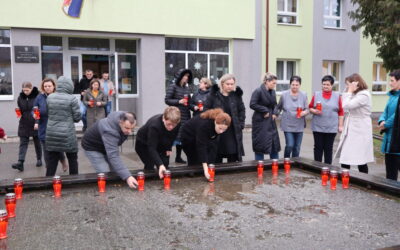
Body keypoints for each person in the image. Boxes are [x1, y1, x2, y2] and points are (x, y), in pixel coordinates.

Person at [82, 111, 138, 188]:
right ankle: (105, 193)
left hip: (106, 145)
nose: (129, 132)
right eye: (127, 128)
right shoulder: (110, 131)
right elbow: (113, 155)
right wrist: (128, 177)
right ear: (120, 122)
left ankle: (114, 187)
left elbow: (113, 154)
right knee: (104, 171)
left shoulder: (124, 116)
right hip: (92, 147)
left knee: (116, 171)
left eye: (132, 129)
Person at [334, 74, 374, 173]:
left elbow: (346, 105)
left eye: (348, 84)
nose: (347, 87)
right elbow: (344, 99)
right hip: (352, 126)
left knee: (360, 158)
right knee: (346, 155)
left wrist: (350, 91)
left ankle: (364, 180)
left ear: (356, 83)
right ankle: (345, 177)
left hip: (360, 128)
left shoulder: (364, 95)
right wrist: (349, 90)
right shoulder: (355, 93)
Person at [205, 73, 245, 163]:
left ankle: (231, 176)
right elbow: (206, 110)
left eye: (232, 84)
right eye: (228, 84)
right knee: (216, 155)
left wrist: (240, 124)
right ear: (222, 83)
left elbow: (242, 110)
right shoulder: (213, 95)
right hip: (217, 130)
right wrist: (212, 124)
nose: (230, 86)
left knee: (232, 155)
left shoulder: (236, 95)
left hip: (232, 130)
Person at [45, 76, 81, 176]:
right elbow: (77, 118)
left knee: (52, 161)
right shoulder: (72, 99)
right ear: (70, 86)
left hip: (52, 133)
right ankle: (74, 182)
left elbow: (49, 113)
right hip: (67, 134)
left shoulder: (50, 97)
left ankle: (48, 182)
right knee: (72, 158)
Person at [181, 108, 231, 179]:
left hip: (200, 134)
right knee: (194, 157)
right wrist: (205, 169)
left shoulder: (220, 123)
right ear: (215, 122)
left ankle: (205, 171)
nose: (221, 132)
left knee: (210, 150)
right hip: (188, 136)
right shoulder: (205, 125)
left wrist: (211, 165)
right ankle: (191, 172)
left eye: (224, 129)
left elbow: (214, 146)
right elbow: (201, 146)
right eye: (220, 128)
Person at [33, 78, 68, 171]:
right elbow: (35, 109)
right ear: (43, 87)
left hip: (56, 126)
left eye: (49, 86)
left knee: (57, 147)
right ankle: (49, 167)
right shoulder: (39, 97)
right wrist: (34, 115)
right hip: (43, 126)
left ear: (54, 86)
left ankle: (63, 160)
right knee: (46, 149)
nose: (47, 88)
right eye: (45, 86)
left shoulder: (58, 96)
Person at [135, 107, 181, 178]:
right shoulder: (155, 126)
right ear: (164, 119)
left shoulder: (177, 123)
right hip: (143, 144)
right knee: (150, 163)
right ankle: (149, 182)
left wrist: (169, 149)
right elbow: (152, 148)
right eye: (168, 124)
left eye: (173, 125)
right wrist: (160, 164)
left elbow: (172, 137)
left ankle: (162, 181)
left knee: (165, 164)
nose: (171, 127)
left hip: (161, 141)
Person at [309, 75, 344, 164]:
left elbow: (341, 112)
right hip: (318, 126)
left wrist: (340, 125)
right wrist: (314, 111)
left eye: (328, 84)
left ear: (332, 85)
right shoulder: (316, 94)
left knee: (328, 148)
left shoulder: (337, 96)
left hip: (331, 127)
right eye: (324, 84)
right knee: (318, 147)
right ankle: (317, 167)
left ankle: (328, 167)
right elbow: (310, 107)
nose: (325, 86)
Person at [11, 82, 42, 172]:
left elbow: (37, 110)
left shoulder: (37, 96)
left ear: (31, 88)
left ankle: (39, 159)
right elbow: (20, 109)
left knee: (37, 142)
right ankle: (20, 162)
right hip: (24, 123)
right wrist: (18, 112)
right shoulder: (20, 97)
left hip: (35, 122)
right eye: (24, 90)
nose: (25, 92)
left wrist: (37, 122)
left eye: (27, 90)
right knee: (23, 143)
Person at [276, 75, 308, 158]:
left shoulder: (304, 95)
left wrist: (304, 113)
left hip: (299, 124)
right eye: (293, 84)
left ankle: (295, 164)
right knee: (290, 145)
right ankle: (286, 161)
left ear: (300, 85)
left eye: (297, 85)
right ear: (290, 85)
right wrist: (275, 114)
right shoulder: (284, 95)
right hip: (287, 124)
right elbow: (278, 107)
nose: (295, 86)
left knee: (297, 147)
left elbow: (307, 109)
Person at [249, 73, 280, 160]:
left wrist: (275, 113)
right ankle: (259, 165)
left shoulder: (273, 92)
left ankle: (275, 164)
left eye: (275, 83)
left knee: (274, 145)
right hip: (260, 121)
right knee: (260, 144)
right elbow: (252, 104)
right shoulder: (258, 91)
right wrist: (264, 110)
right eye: (273, 83)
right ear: (267, 81)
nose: (275, 85)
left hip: (271, 121)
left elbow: (275, 105)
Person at [165, 68, 192, 164]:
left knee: (181, 137)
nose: (186, 78)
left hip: (185, 115)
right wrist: (178, 101)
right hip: (175, 115)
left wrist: (193, 106)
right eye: (185, 76)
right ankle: (166, 158)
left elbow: (189, 103)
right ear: (180, 76)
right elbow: (167, 100)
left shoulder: (186, 88)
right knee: (171, 137)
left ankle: (178, 157)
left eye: (188, 76)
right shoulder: (173, 86)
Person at [378, 69, 400, 181]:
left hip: (397, 140)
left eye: (392, 80)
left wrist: (386, 124)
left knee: (394, 168)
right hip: (389, 139)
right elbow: (385, 112)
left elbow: (397, 115)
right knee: (390, 173)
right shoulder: (392, 96)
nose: (390, 83)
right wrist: (382, 120)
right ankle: (389, 193)